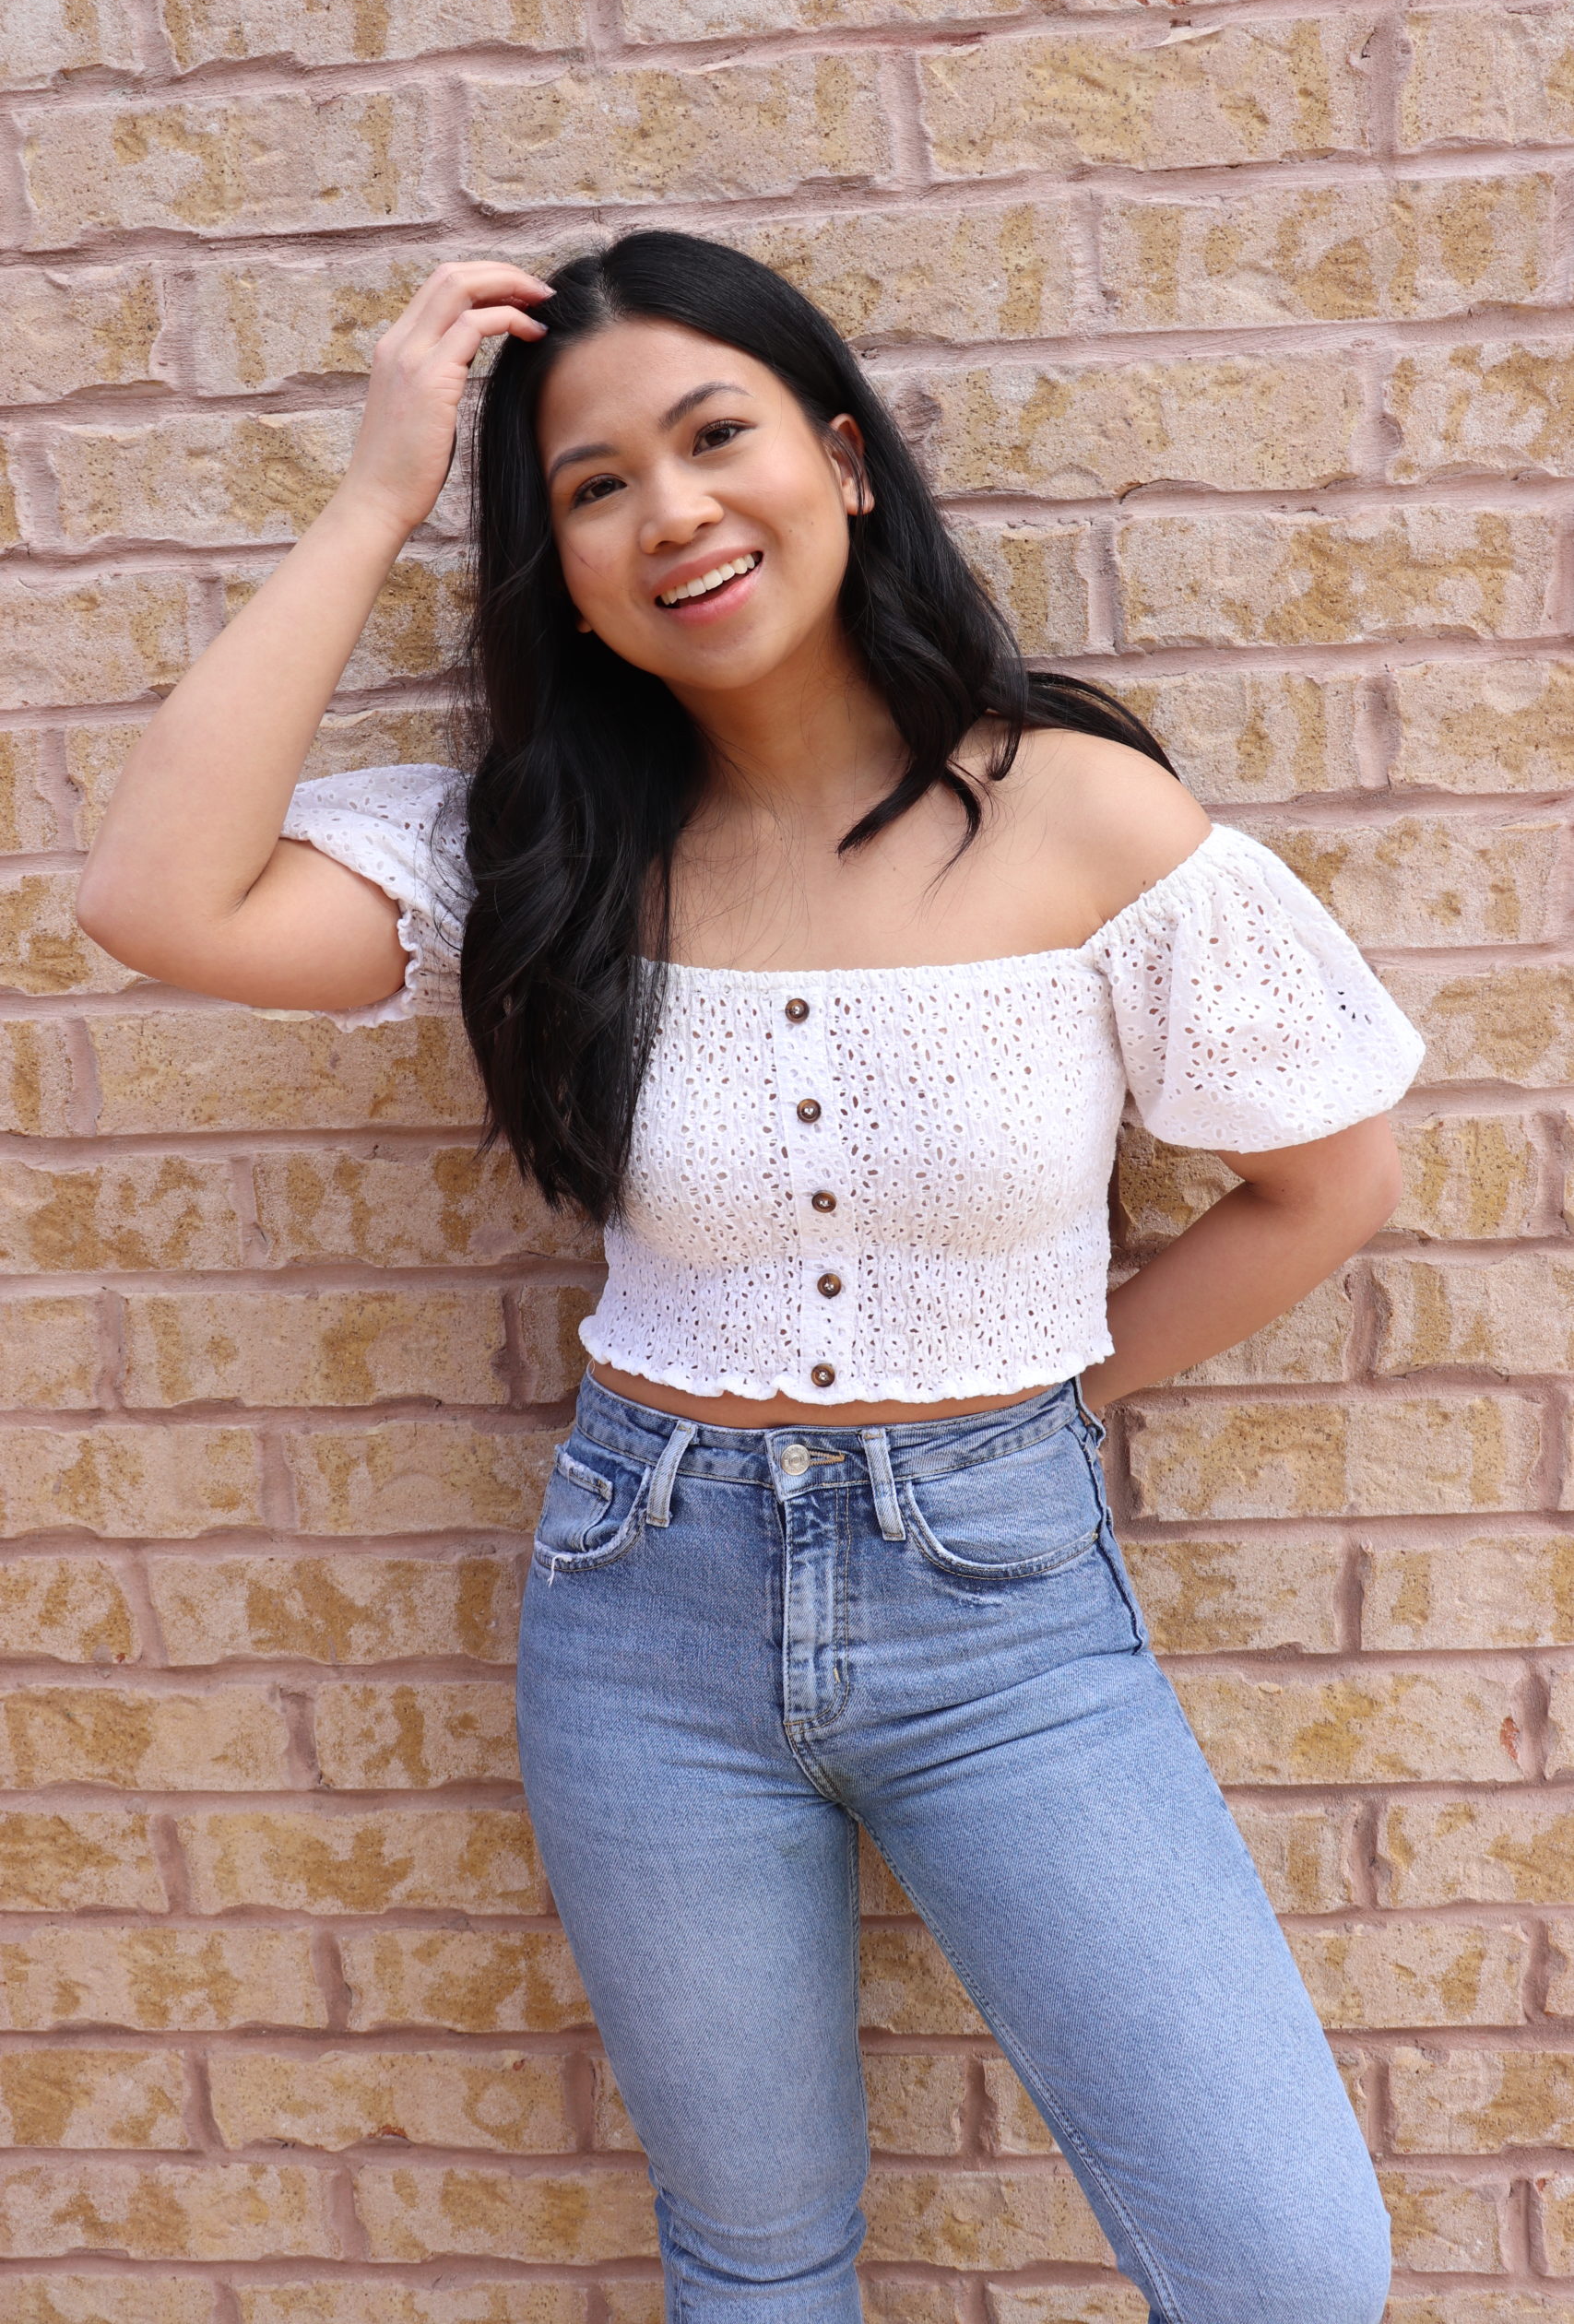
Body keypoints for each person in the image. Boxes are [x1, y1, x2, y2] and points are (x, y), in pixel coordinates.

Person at [77, 232, 1425, 2324]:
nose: (670, 510)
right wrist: (374, 494)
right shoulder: (536, 849)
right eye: (591, 486)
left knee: (1285, 2266)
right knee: (756, 2258)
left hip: (1007, 1624)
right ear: (562, 569)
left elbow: (1321, 1177)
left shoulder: (1077, 814)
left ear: (844, 457)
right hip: (642, 1617)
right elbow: (157, 898)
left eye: (713, 437)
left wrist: (1045, 1407)